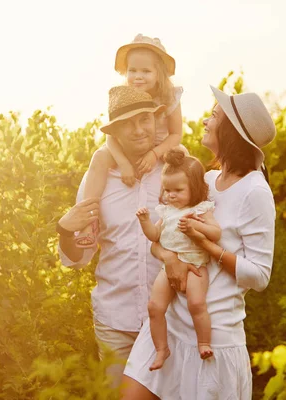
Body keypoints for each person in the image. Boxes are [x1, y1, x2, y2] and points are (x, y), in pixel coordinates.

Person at [121, 86, 277, 399]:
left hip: (211, 340)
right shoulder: (204, 180)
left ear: (231, 133)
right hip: (169, 327)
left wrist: (210, 249)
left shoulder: (255, 193)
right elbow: (162, 239)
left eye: (214, 116)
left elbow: (260, 276)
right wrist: (170, 259)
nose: (205, 121)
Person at [56, 85, 199, 389]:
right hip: (115, 323)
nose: (138, 130)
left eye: (144, 120)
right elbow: (79, 256)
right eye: (127, 124)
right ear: (115, 133)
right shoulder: (98, 180)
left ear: (155, 120)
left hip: (173, 320)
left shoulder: (177, 172)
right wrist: (66, 230)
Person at [75, 34, 184, 248]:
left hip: (161, 145)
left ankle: (189, 213)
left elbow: (175, 134)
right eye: (133, 70)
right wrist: (123, 163)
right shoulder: (124, 96)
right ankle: (88, 220)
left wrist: (155, 153)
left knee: (184, 158)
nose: (138, 76)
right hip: (128, 146)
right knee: (99, 158)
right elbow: (111, 135)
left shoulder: (169, 96)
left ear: (159, 73)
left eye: (145, 71)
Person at [136, 148, 221, 371]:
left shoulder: (201, 209)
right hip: (168, 268)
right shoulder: (166, 212)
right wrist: (145, 221)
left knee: (196, 303)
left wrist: (196, 226)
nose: (171, 195)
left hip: (196, 266)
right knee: (154, 307)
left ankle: (204, 342)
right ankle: (161, 349)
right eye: (167, 190)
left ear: (194, 188)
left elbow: (215, 233)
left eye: (178, 190)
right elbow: (154, 237)